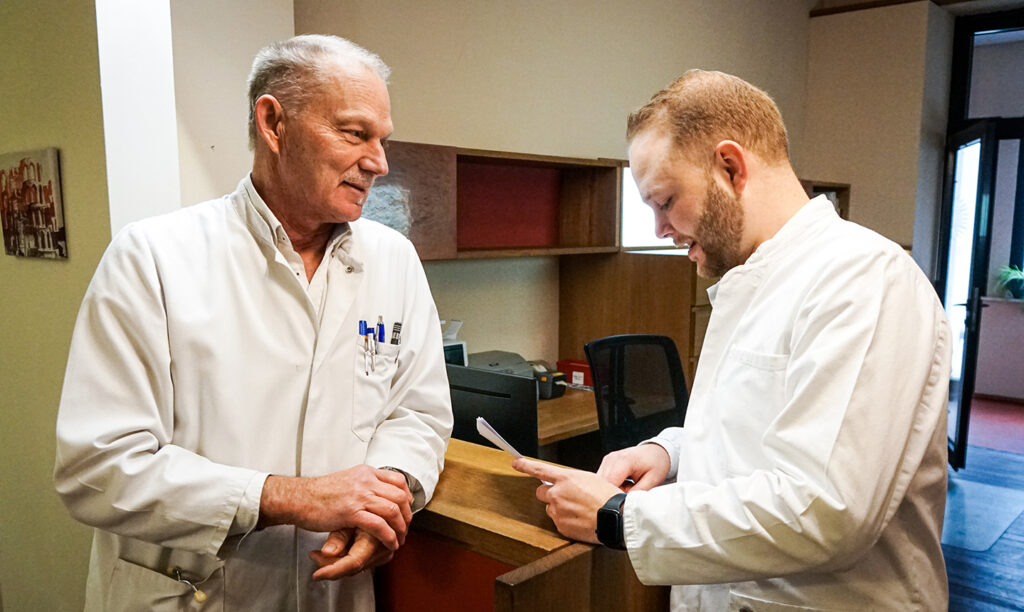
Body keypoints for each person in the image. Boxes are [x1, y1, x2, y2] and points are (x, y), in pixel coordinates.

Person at [514, 70, 951, 611]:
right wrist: (669, 452)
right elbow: (753, 427)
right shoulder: (747, 277)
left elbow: (826, 510)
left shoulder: (863, 279)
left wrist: (621, 518)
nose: (659, 230)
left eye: (666, 200)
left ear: (730, 167)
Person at [54, 34, 452, 611]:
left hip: (330, 590)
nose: (379, 162)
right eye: (354, 133)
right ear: (273, 123)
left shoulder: (393, 259)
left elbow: (416, 412)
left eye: (382, 140)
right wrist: (283, 497)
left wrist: (383, 493)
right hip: (194, 593)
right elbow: (98, 465)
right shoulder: (154, 257)